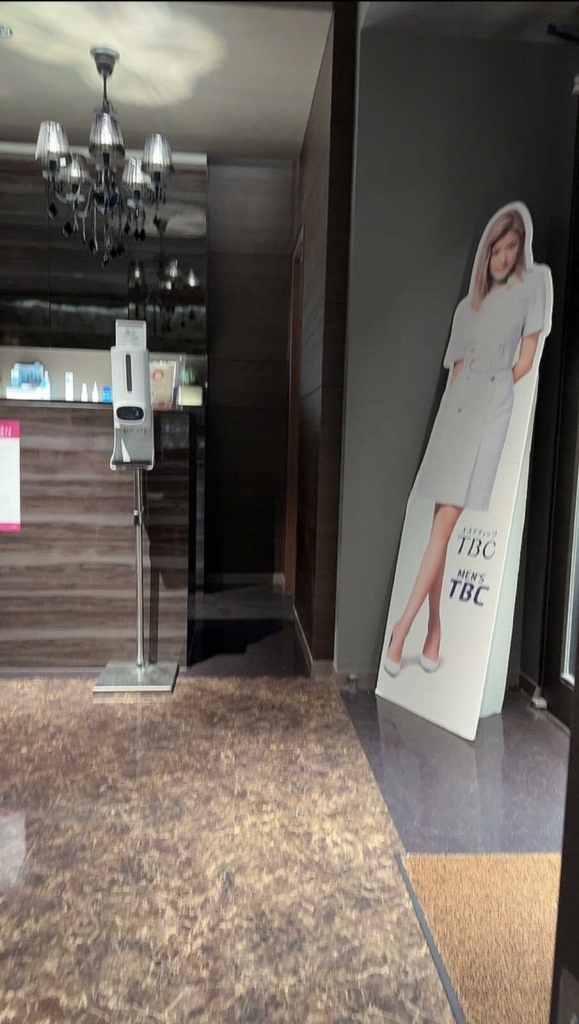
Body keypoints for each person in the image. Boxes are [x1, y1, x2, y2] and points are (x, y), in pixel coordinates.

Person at [384, 204, 550, 677]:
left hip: (492, 407)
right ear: (485, 254)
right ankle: (433, 630)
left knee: (445, 523)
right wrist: (453, 420)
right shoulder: (467, 307)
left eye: (511, 247)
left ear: (520, 249)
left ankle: (402, 628)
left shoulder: (533, 286)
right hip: (456, 412)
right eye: (496, 249)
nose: (503, 257)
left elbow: (526, 360)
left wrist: (493, 391)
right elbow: (455, 373)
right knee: (440, 524)